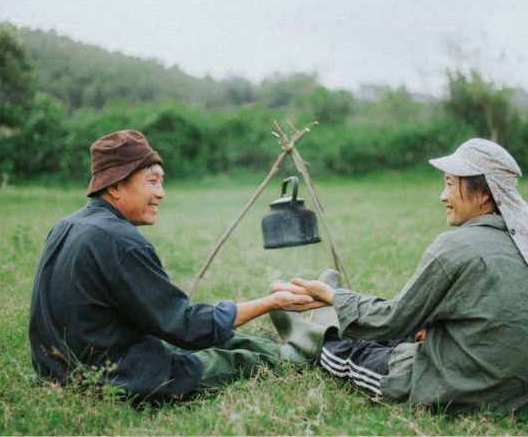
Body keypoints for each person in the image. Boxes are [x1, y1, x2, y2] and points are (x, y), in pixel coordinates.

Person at [271, 138, 528, 414]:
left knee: (360, 354)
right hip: (523, 395)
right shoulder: (527, 248)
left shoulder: (454, 247)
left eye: (450, 184)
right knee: (411, 329)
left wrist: (333, 297)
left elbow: (393, 319)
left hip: (464, 391)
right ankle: (338, 318)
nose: (443, 196)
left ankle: (312, 339)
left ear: (483, 195)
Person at [28, 130, 319, 403]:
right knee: (234, 359)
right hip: (118, 377)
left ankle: (298, 344)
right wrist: (271, 303)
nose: (161, 193)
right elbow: (185, 327)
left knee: (224, 339)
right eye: (151, 182)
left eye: (161, 182)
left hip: (60, 372)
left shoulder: (67, 225)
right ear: (115, 186)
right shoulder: (120, 240)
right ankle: (307, 356)